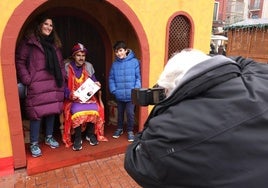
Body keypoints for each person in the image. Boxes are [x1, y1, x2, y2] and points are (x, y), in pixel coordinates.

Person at [124, 49, 268, 187]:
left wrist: (163, 105)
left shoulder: (170, 131)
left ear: (170, 90)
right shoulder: (261, 79)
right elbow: (244, 62)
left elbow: (134, 160)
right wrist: (206, 62)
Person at [15, 15, 65, 157]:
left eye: (51, 25)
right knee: (36, 114)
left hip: (53, 82)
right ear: (39, 25)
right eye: (46, 24)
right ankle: (34, 143)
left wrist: (63, 76)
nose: (49, 27)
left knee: (50, 111)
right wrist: (27, 78)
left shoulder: (54, 45)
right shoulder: (29, 42)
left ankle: (49, 137)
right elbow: (20, 61)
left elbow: (61, 64)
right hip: (36, 84)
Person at [63, 43, 108, 151]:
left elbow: (93, 80)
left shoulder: (88, 66)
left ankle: (90, 134)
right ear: (74, 56)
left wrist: (97, 83)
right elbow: (62, 86)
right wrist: (69, 94)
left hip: (87, 98)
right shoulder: (67, 68)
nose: (81, 58)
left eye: (83, 56)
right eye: (78, 55)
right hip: (72, 99)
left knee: (95, 108)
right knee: (77, 111)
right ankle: (78, 138)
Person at [109, 41, 141, 142]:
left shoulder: (135, 62)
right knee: (120, 113)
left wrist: (135, 90)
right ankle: (119, 129)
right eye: (116, 51)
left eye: (120, 50)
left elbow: (138, 78)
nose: (119, 53)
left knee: (130, 113)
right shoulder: (114, 64)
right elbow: (111, 78)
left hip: (131, 95)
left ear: (126, 50)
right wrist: (114, 90)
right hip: (119, 94)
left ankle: (130, 131)